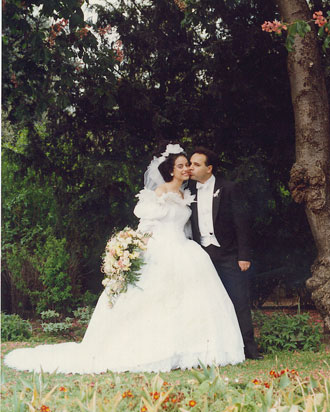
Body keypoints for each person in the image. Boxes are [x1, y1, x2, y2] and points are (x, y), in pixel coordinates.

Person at [4, 143, 245, 373]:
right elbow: (146, 225)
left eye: (188, 166)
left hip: (184, 250)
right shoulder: (159, 193)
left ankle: (190, 350)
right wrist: (132, 250)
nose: (186, 169)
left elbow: (188, 227)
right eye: (181, 166)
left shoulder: (186, 193)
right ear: (171, 170)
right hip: (160, 250)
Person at [187, 146, 262, 360]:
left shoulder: (228, 188)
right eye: (190, 164)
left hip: (229, 255)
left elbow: (241, 223)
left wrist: (243, 255)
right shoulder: (188, 193)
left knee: (239, 301)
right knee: (207, 303)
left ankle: (249, 350)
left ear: (209, 168)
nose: (191, 168)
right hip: (201, 256)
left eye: (196, 164)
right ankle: (212, 350)